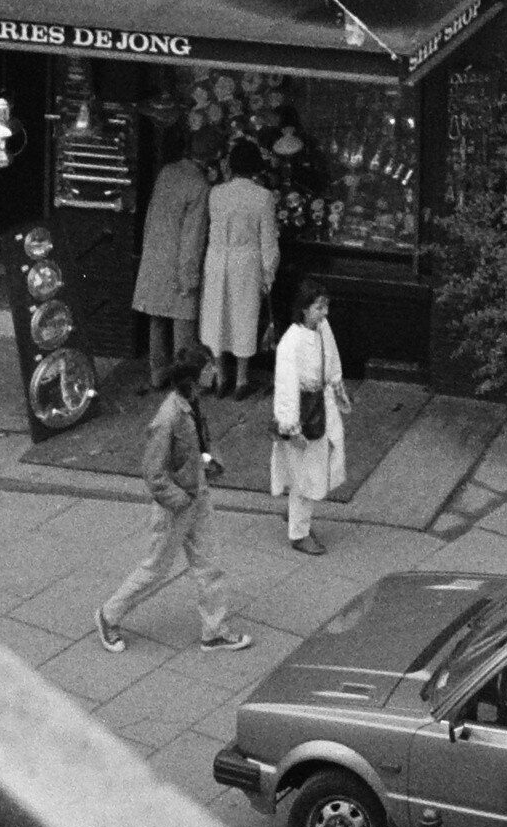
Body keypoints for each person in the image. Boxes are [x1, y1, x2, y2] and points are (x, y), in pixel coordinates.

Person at [95, 347, 254, 654]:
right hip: (176, 507)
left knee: (210, 566)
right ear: (194, 376)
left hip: (197, 495)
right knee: (155, 569)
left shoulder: (192, 402)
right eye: (208, 367)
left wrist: (210, 463)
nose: (214, 371)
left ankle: (214, 632)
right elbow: (153, 473)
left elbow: (200, 444)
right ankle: (108, 615)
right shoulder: (168, 417)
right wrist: (180, 500)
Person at [267, 280, 354, 550]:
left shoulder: (323, 328)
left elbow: (332, 360)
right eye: (319, 307)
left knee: (319, 465)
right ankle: (298, 533)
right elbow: (286, 387)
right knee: (305, 475)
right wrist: (291, 428)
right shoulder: (290, 343)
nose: (324, 313)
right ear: (304, 309)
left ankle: (295, 515)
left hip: (321, 407)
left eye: (325, 306)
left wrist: (337, 390)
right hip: (304, 415)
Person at [198, 141, 281, 397]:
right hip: (246, 263)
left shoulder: (216, 193)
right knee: (244, 317)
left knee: (217, 315)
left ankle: (221, 375)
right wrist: (269, 274)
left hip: (217, 260)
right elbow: (268, 242)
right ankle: (241, 380)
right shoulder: (263, 197)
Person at [130, 135, 210, 394]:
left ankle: (157, 374)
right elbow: (193, 236)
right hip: (178, 260)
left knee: (157, 319)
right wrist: (190, 275)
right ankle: (181, 380)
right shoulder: (200, 185)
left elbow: (151, 213)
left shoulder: (166, 172)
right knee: (182, 322)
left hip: (155, 254)